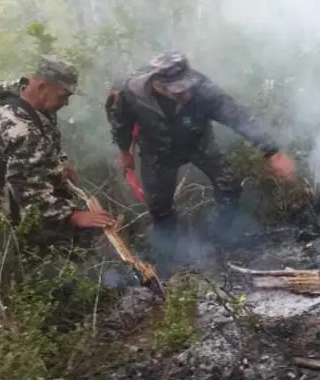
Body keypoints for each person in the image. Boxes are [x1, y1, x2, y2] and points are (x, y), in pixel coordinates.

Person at [105, 51, 296, 240]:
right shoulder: (132, 92)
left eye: (188, 87)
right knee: (159, 208)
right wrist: (125, 151)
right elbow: (121, 122)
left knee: (229, 186)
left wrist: (272, 151)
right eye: (178, 91)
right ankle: (171, 255)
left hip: (198, 143)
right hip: (157, 152)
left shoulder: (203, 89)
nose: (186, 94)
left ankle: (219, 235)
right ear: (157, 84)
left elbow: (237, 116)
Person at [0, 56, 114, 253]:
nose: (67, 103)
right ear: (42, 86)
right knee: (60, 261)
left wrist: (60, 163)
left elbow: (45, 143)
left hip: (44, 196)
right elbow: (27, 191)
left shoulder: (34, 104)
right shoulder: (19, 127)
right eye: (63, 96)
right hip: (24, 213)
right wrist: (72, 216)